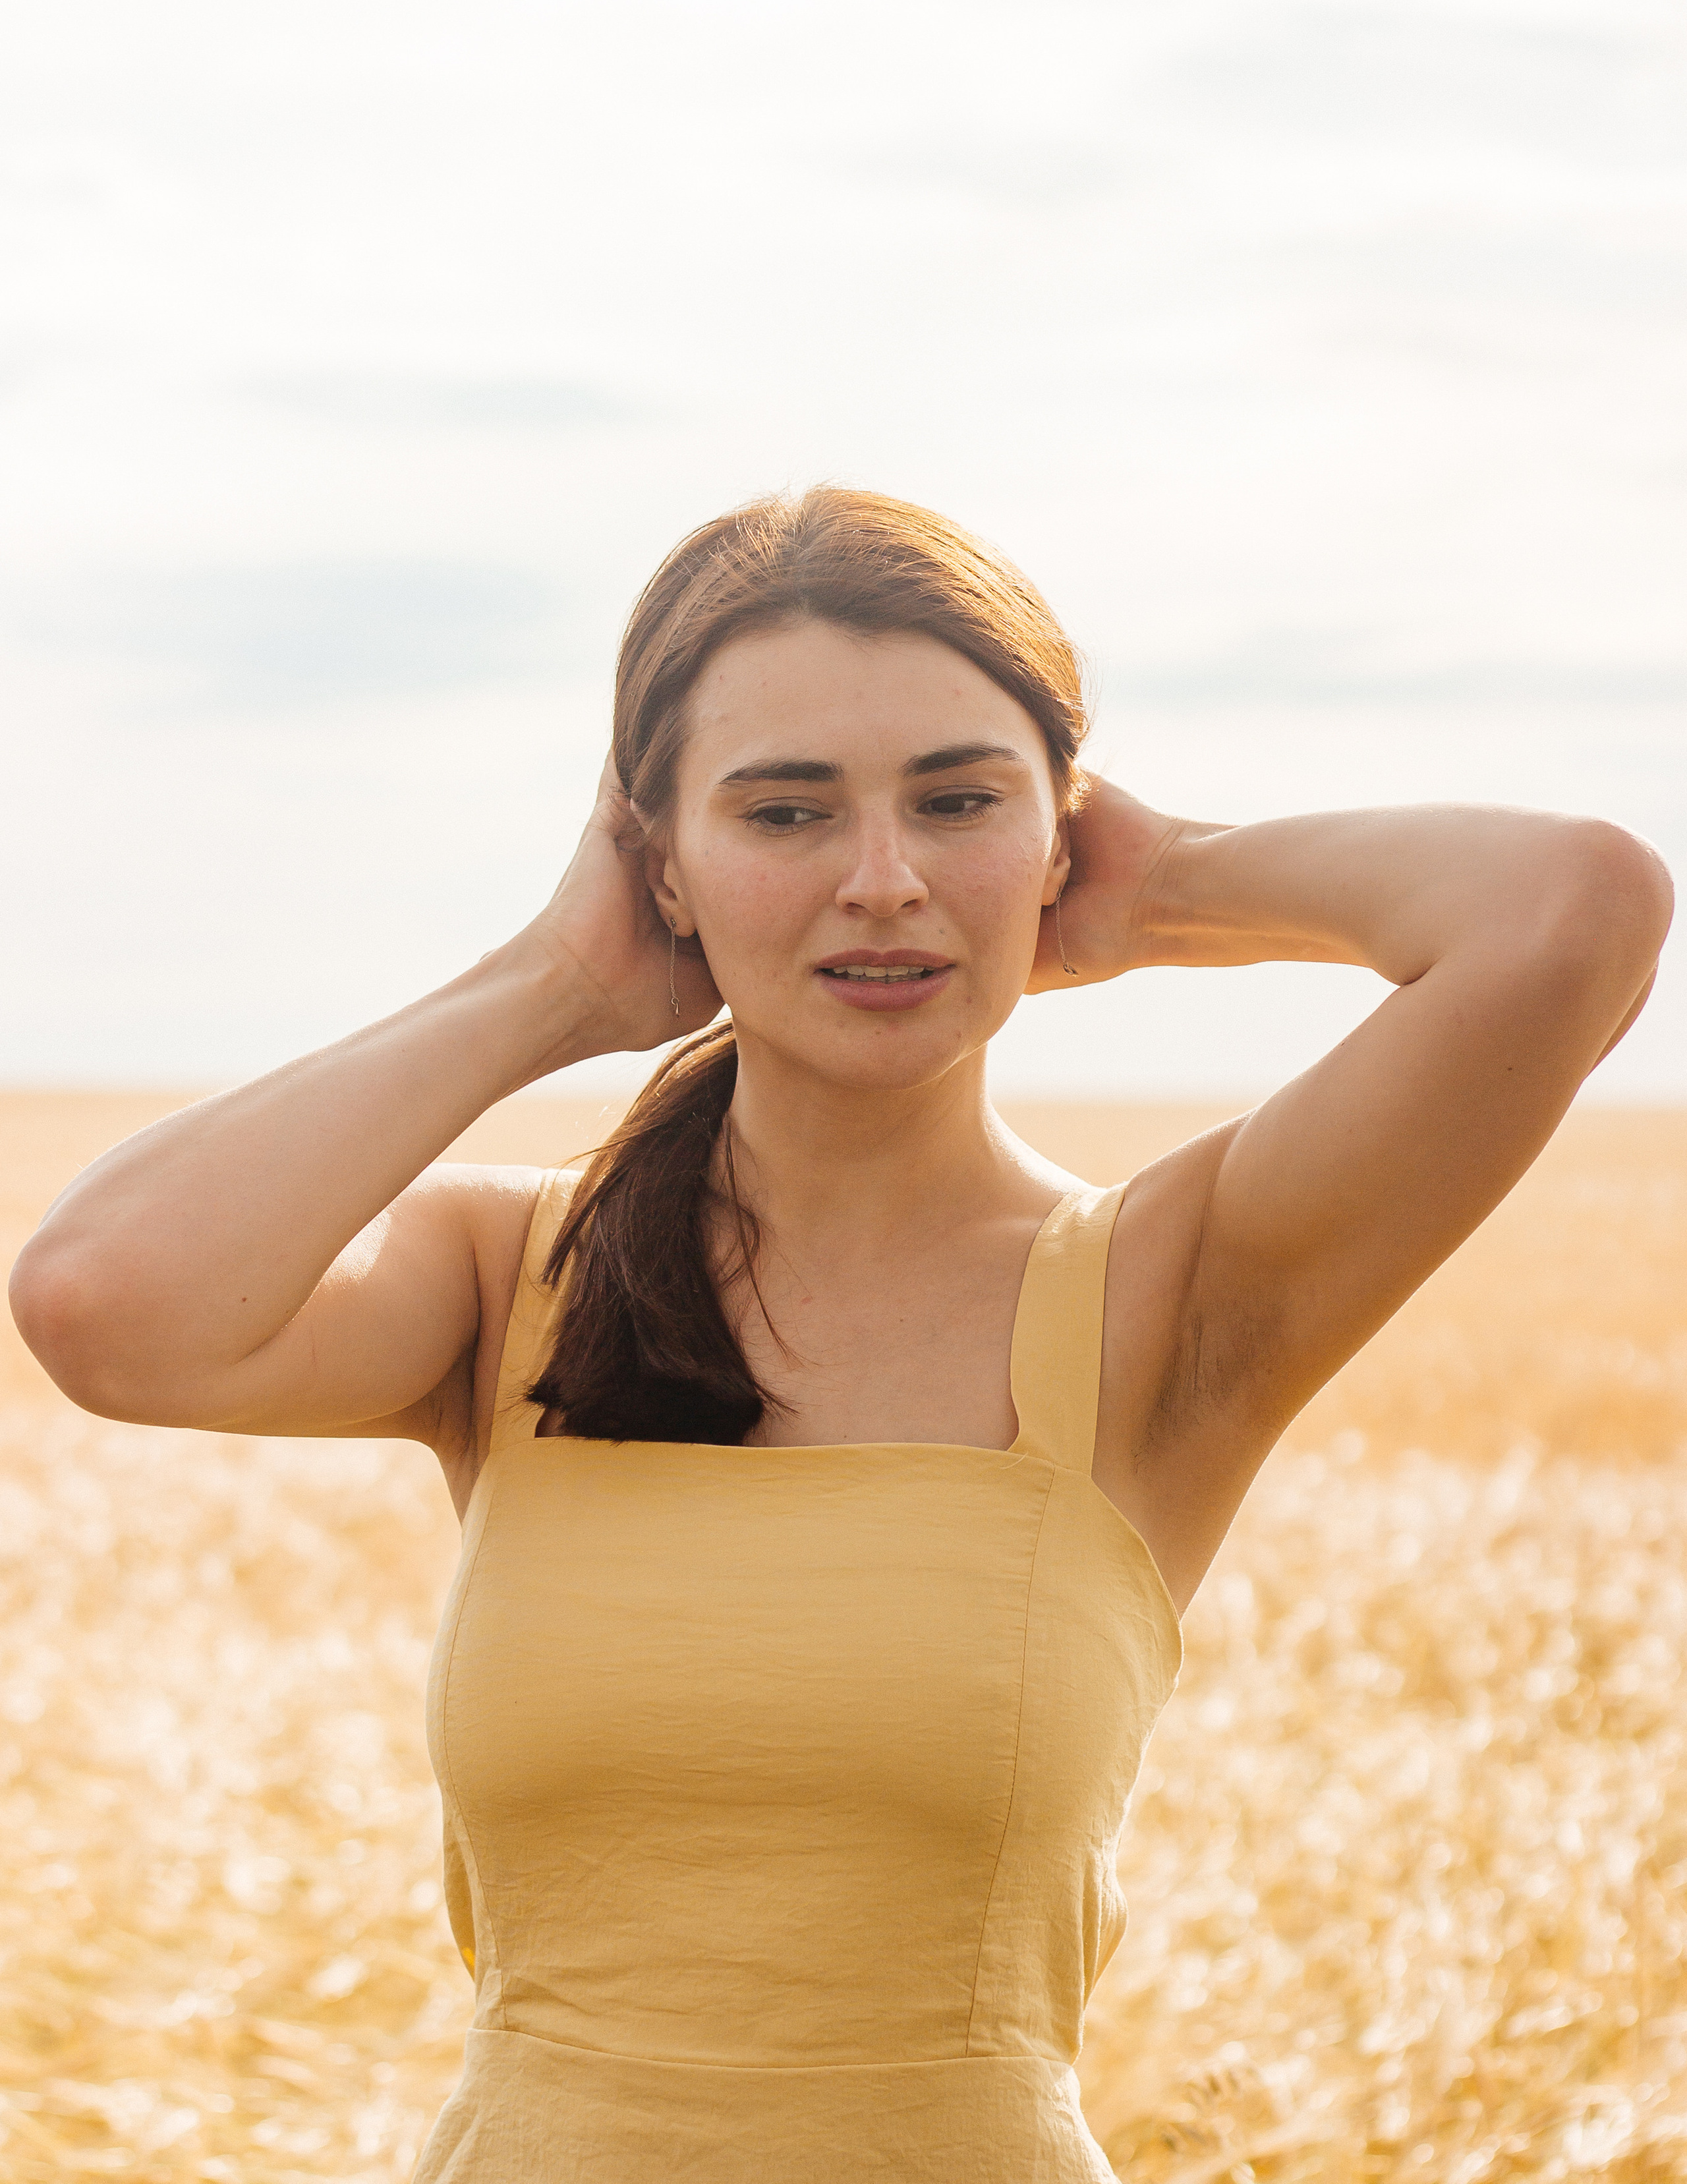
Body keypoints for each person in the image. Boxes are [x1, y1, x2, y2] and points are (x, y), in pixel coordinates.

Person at [11, 486, 1672, 2183]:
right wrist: (551, 991)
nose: (883, 884)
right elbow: (102, 1302)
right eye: (784, 813)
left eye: (956, 802)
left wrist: (1165, 890)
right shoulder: (514, 1273)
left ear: (1056, 836)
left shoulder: (1163, 1294)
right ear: (657, 857)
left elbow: (1572, 909)